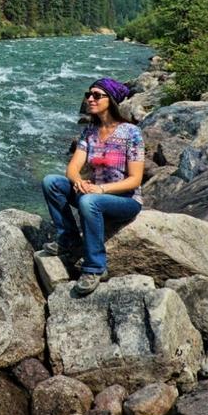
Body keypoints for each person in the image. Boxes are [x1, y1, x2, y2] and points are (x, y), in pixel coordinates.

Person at [41, 77, 144, 296]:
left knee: (89, 200)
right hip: (94, 196)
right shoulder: (90, 132)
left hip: (124, 200)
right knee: (51, 182)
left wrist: (101, 189)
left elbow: (135, 179)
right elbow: (72, 168)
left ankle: (95, 267)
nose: (90, 98)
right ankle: (68, 239)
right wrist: (78, 181)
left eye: (97, 95)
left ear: (111, 101)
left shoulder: (131, 133)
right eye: (89, 94)